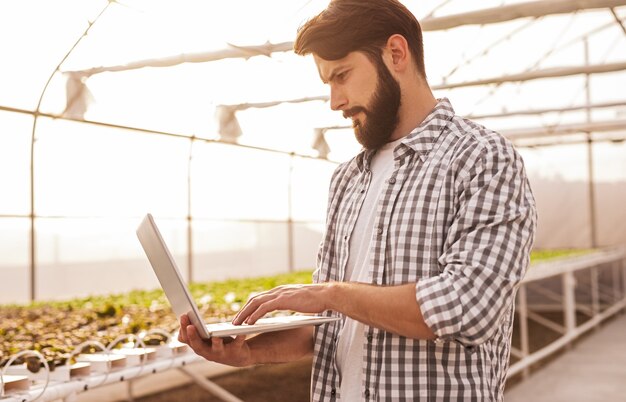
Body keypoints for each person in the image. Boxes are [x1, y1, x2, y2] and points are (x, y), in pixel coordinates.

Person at [178, 0, 537, 400]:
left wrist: (332, 293)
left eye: (342, 75)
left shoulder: (482, 159)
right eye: (328, 83)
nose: (334, 101)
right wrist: (249, 351)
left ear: (396, 53)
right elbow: (331, 326)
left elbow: (469, 305)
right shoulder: (347, 179)